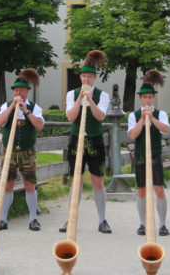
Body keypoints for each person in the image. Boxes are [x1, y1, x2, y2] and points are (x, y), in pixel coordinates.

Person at [60, 50, 112, 234]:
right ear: (80, 78)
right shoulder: (72, 95)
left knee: (98, 180)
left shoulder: (102, 95)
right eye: (84, 76)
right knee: (76, 180)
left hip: (95, 139)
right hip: (76, 139)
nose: (87, 80)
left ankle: (102, 220)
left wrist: (90, 99)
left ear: (95, 78)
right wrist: (80, 99)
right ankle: (70, 219)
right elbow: (70, 116)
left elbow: (100, 117)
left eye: (90, 77)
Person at [0, 68, 45, 231]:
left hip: (27, 152)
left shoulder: (34, 108)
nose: (18, 93)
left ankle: (33, 219)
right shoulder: (6, 105)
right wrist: (12, 108)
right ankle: (3, 219)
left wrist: (25, 110)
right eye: (16, 91)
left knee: (30, 183)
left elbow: (39, 126)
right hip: (8, 151)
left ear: (27, 92)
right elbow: (0, 122)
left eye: (21, 91)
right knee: (7, 184)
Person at [127, 70, 170, 237]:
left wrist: (152, 119)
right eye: (144, 97)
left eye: (150, 97)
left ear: (153, 98)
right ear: (140, 99)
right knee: (141, 190)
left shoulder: (161, 114)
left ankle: (163, 224)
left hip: (155, 155)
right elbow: (132, 135)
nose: (147, 100)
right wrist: (142, 120)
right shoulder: (134, 115)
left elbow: (166, 129)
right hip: (140, 157)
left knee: (159, 189)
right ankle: (143, 224)